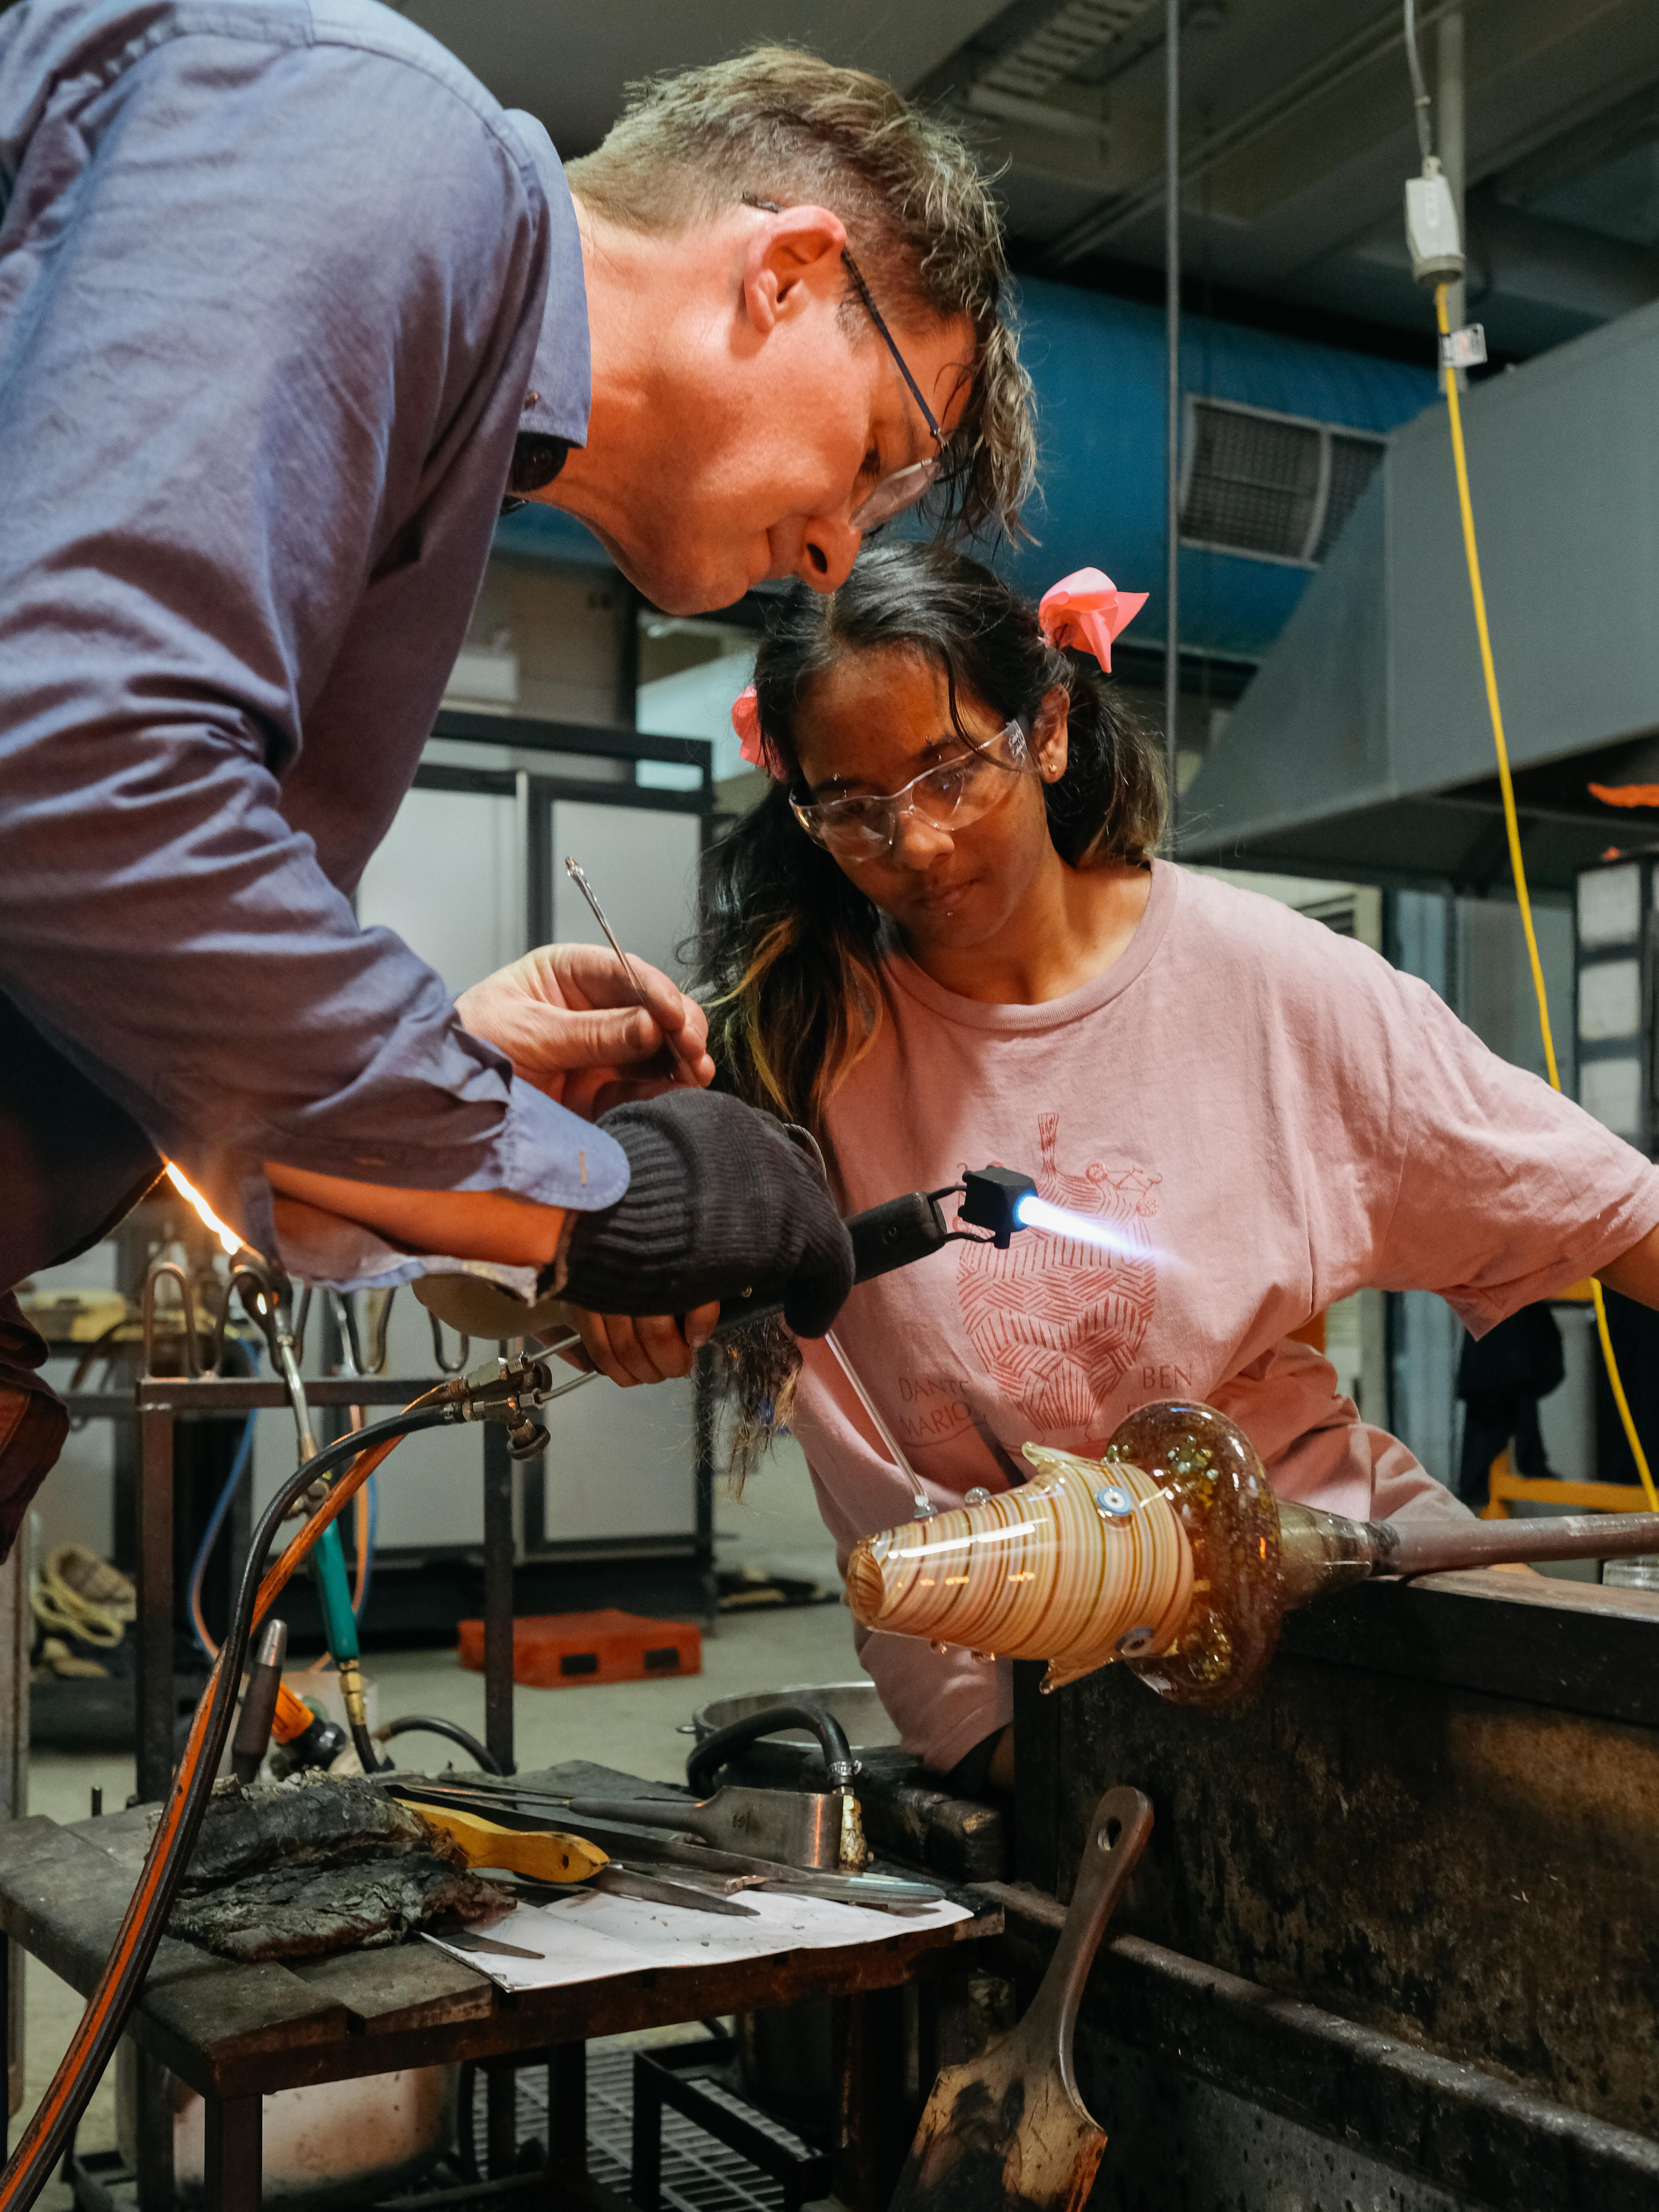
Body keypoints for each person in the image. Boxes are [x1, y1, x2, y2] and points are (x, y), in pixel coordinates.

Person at [0, 3, 1035, 1553]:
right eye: (881, 455)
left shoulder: (447, 448)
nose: (837, 548)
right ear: (788, 271)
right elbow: (77, 767)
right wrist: (578, 1199)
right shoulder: (387, 143)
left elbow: (115, 966)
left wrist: (461, 1089)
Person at [566, 541, 1659, 1792]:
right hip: (1015, 1667)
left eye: (949, 773)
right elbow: (491, 1283)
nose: (913, 844)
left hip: (1337, 1572)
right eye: (855, 808)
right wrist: (596, 1270)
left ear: (1045, 729)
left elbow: (1610, 1209)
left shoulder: (1267, 985)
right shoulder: (790, 1049)